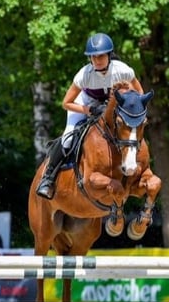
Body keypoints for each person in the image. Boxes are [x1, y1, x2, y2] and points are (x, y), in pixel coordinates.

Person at [36, 32, 145, 199]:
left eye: (100, 56)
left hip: (113, 107)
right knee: (67, 138)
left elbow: (139, 92)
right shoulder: (84, 74)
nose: (96, 61)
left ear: (109, 55)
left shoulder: (123, 70)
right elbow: (66, 103)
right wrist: (87, 110)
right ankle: (48, 178)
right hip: (84, 105)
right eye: (92, 57)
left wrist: (134, 112)